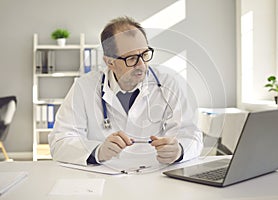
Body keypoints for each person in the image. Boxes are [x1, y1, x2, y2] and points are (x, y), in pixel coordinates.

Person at [48, 16, 203, 166]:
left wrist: (179, 150)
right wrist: (98, 151)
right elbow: (60, 141)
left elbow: (191, 134)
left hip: (154, 174)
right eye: (131, 58)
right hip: (102, 178)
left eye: (144, 54)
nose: (141, 65)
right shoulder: (84, 87)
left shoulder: (168, 84)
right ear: (110, 62)